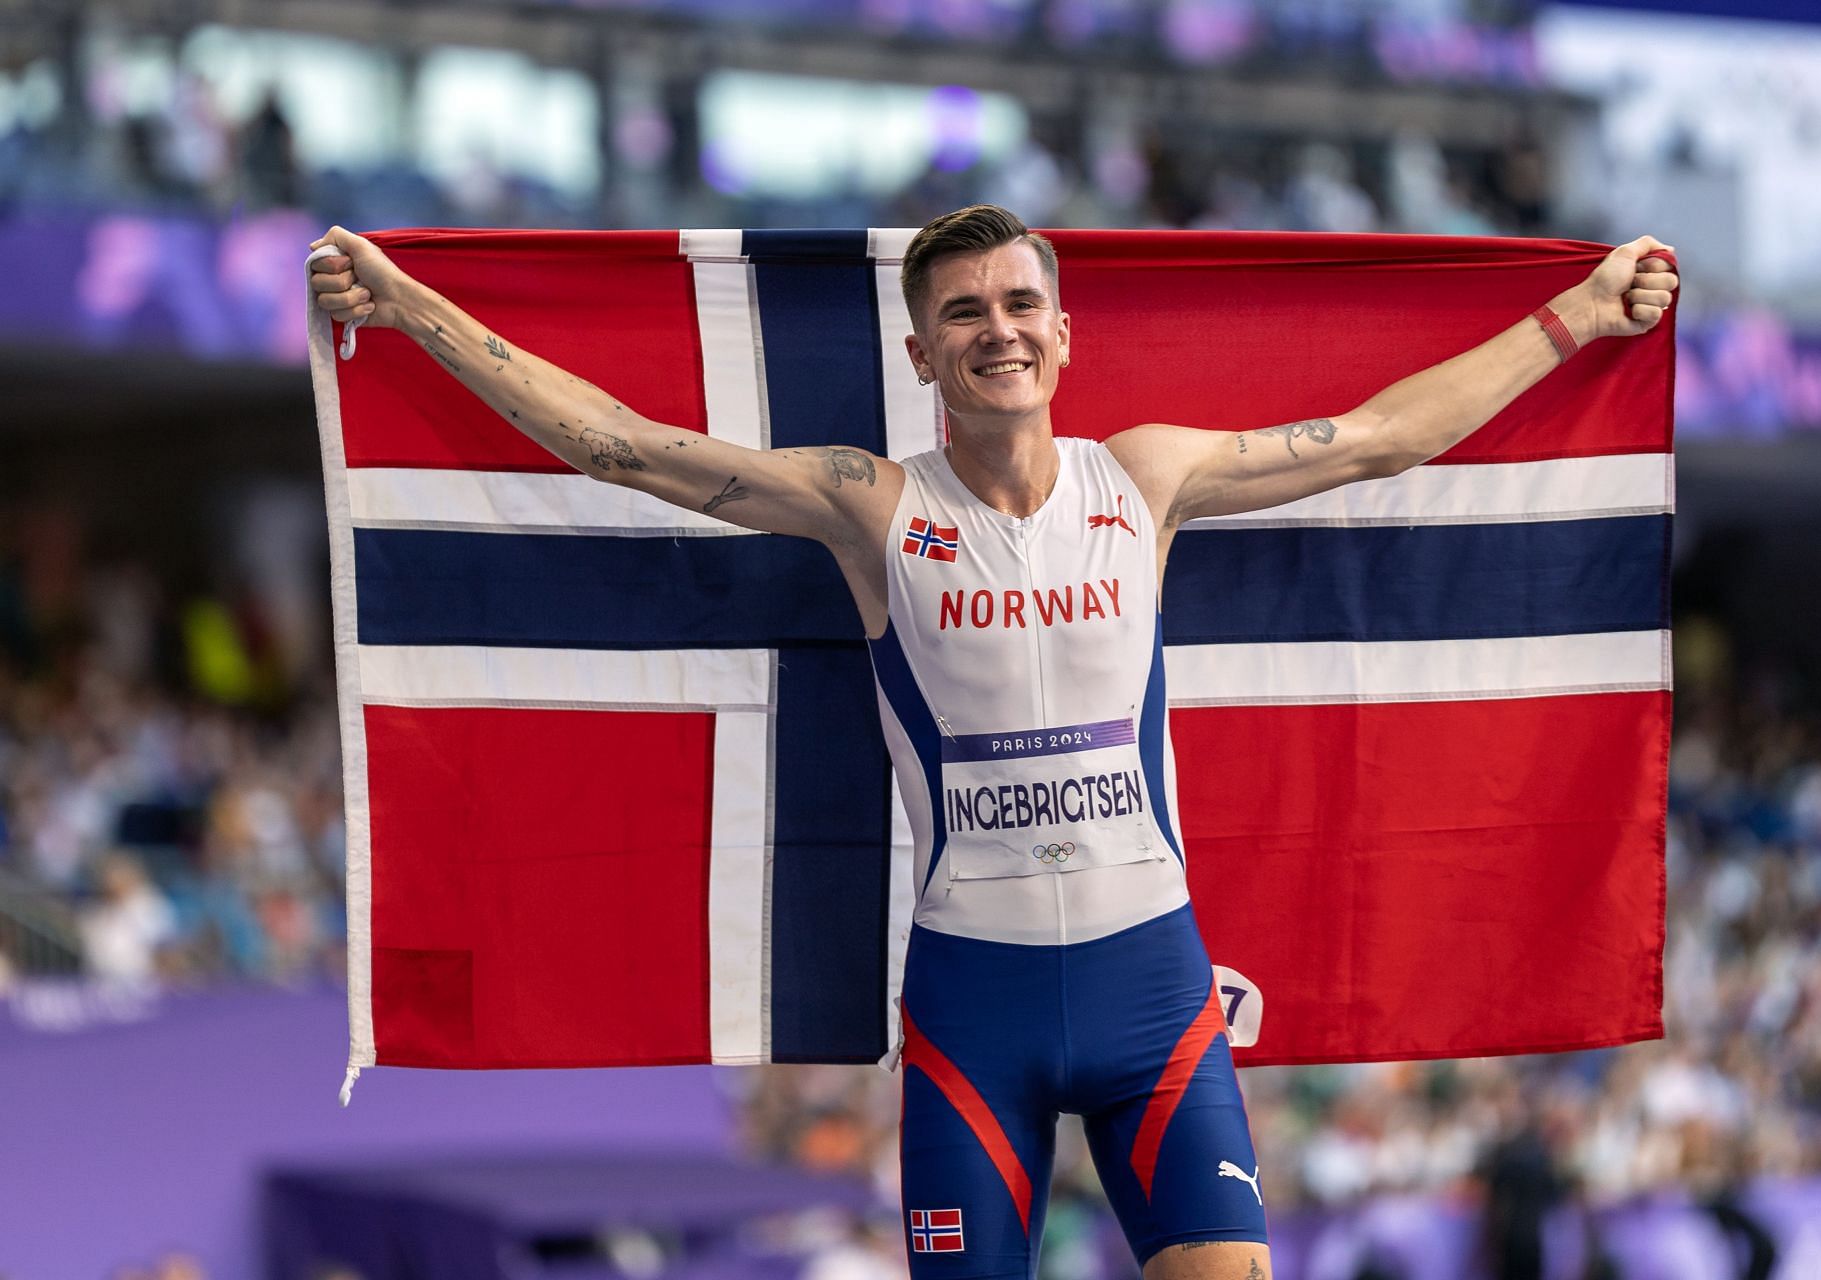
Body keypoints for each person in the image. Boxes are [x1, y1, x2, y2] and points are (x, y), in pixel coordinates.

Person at [308, 204, 1677, 1280]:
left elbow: (1383, 439)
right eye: (963, 311)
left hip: (1158, 996)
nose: (997, 329)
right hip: (977, 1010)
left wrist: (1576, 316)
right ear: (921, 355)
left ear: (1065, 334)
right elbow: (623, 446)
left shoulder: (1147, 475)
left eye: (1021, 303)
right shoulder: (870, 506)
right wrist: (413, 306)